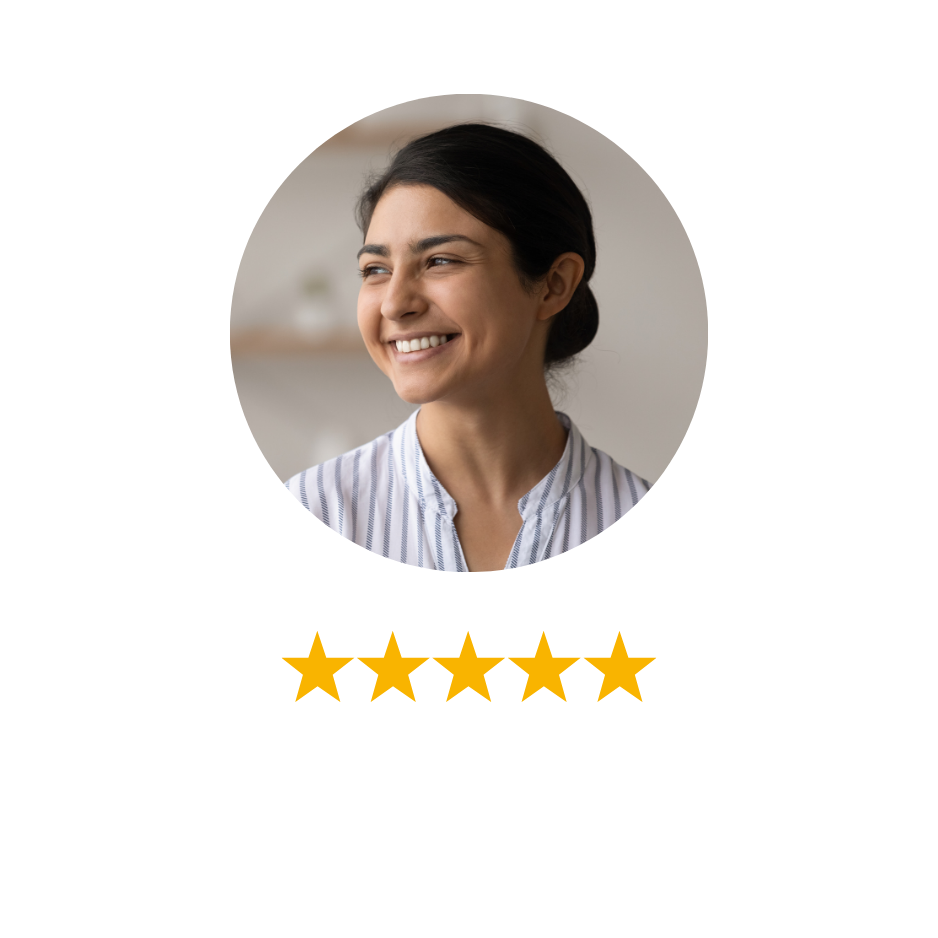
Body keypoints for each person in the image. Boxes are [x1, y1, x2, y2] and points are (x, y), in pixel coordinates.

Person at [286, 123, 653, 574]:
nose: (396, 304)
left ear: (554, 285)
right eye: (375, 269)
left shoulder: (654, 538)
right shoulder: (305, 518)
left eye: (441, 261)